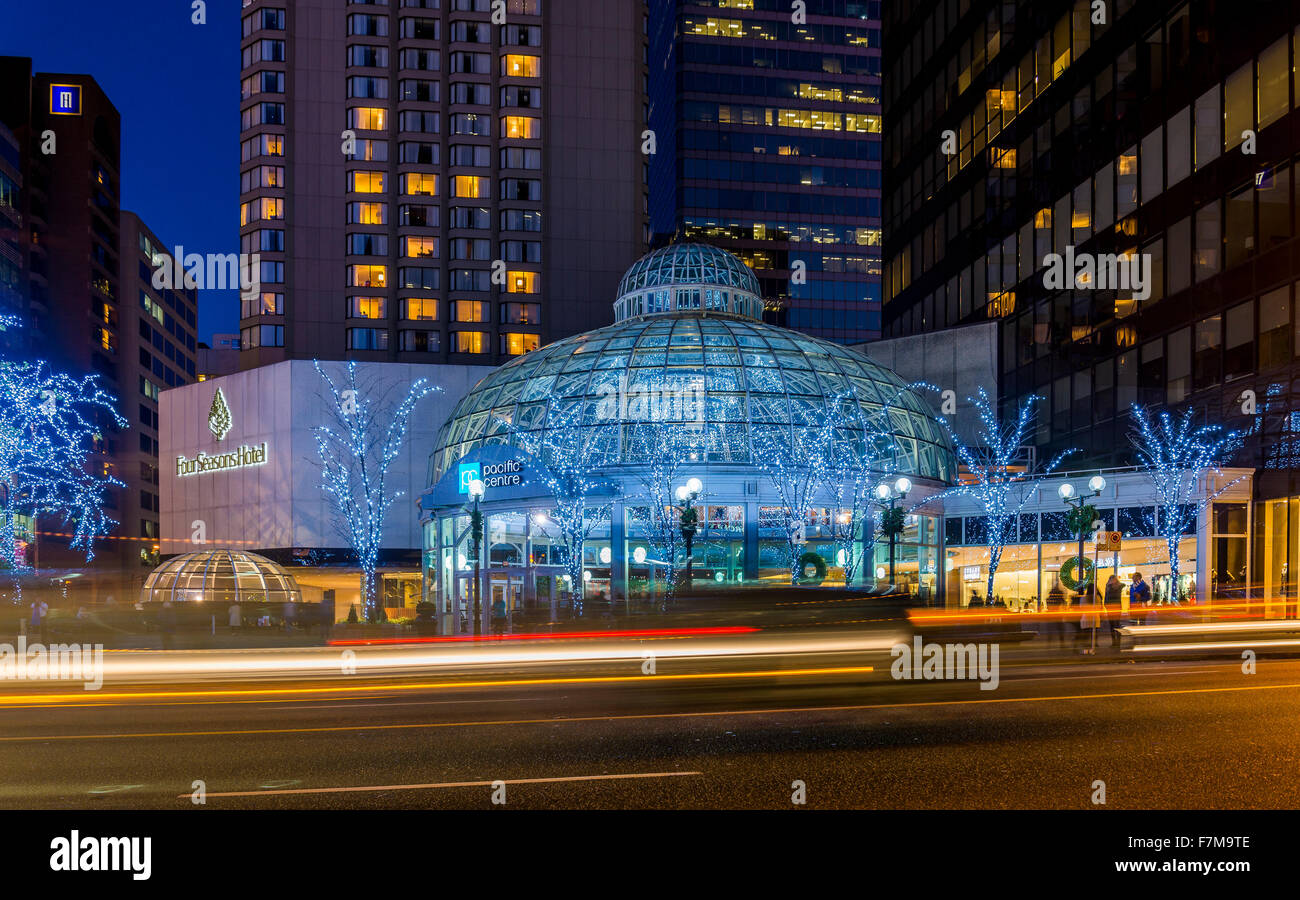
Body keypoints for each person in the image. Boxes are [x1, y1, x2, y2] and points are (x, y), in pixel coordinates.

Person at [1103, 574, 1123, 647]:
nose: (1111, 581)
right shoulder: (1108, 587)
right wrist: (1105, 604)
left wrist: (1114, 585)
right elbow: (1106, 597)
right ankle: (1114, 642)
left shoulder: (1119, 587)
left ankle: (1118, 642)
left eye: (1112, 579)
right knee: (1111, 626)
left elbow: (1121, 586)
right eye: (1110, 579)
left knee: (1116, 625)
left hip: (1116, 608)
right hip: (1110, 608)